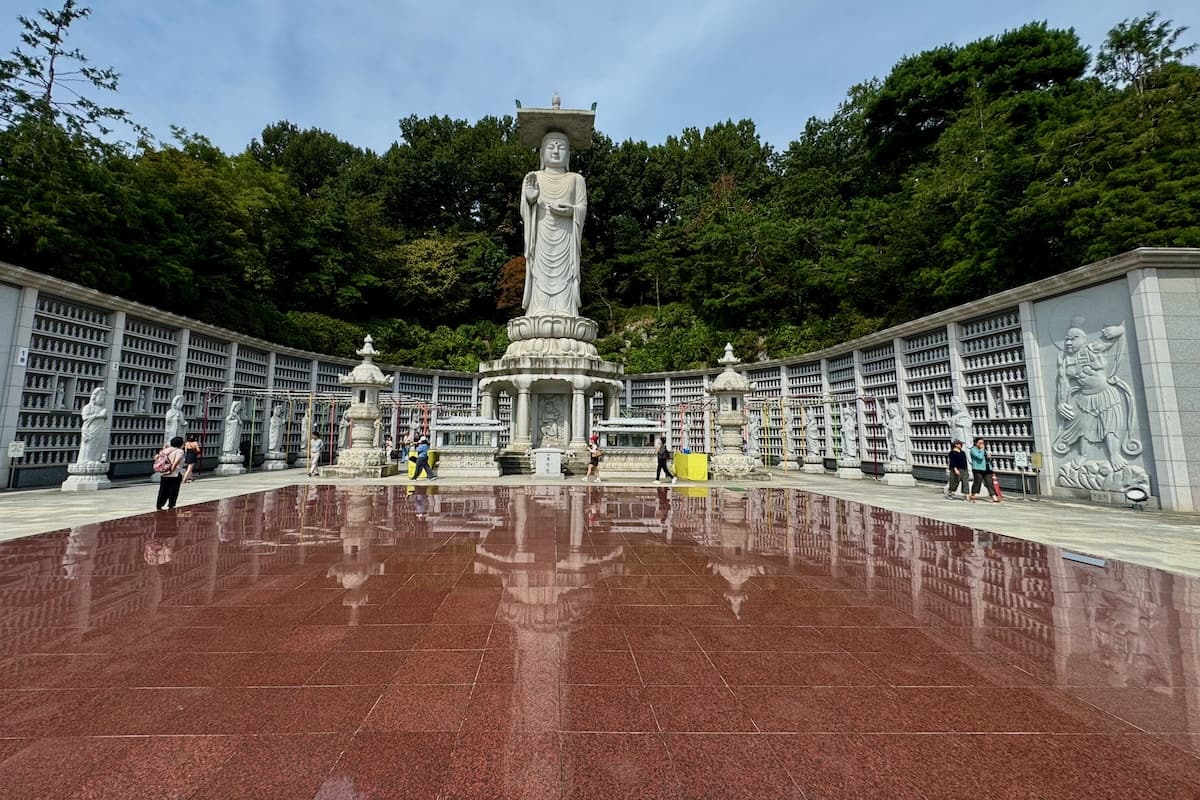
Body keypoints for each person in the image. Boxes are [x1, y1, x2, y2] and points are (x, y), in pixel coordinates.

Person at [520, 130, 587, 317]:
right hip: (541, 236)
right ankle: (538, 309)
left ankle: (564, 309)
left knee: (565, 273)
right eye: (551, 147)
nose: (556, 151)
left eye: (562, 147)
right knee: (540, 271)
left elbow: (582, 208)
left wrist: (572, 211)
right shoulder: (533, 177)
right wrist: (530, 200)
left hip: (565, 237)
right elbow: (524, 212)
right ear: (542, 153)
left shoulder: (576, 179)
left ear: (569, 155)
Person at [76, 387, 110, 464]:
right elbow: (85, 418)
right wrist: (98, 415)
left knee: (98, 444)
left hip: (99, 429)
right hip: (91, 429)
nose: (102, 399)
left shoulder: (102, 408)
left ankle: (96, 459)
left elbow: (105, 417)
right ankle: (87, 460)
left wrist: (103, 415)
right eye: (101, 397)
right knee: (90, 445)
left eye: (104, 397)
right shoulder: (88, 407)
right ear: (94, 397)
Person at [155, 436, 185, 511]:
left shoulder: (165, 450)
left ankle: (159, 504)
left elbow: (156, 458)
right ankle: (171, 504)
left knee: (162, 489)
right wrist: (172, 469)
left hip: (164, 472)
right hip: (174, 473)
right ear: (180, 444)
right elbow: (177, 461)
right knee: (173, 490)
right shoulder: (180, 451)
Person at [968, 436, 999, 503]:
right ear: (976, 443)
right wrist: (982, 450)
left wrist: (989, 457)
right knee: (977, 482)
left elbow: (987, 458)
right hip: (978, 468)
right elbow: (979, 457)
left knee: (989, 483)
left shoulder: (985, 449)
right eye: (980, 442)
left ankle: (994, 496)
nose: (982, 444)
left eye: (983, 443)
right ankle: (973, 494)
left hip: (987, 468)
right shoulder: (973, 450)